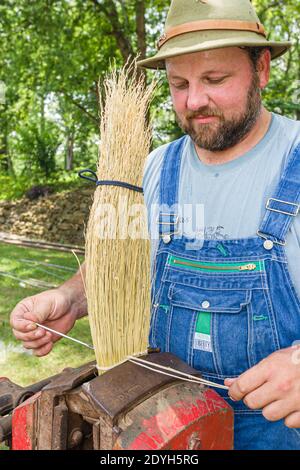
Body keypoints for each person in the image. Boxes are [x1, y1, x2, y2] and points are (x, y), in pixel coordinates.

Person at [10, 0, 300, 450]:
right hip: (154, 429)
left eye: (215, 80)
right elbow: (113, 263)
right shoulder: (148, 169)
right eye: (178, 84)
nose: (194, 100)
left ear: (261, 69)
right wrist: (70, 297)